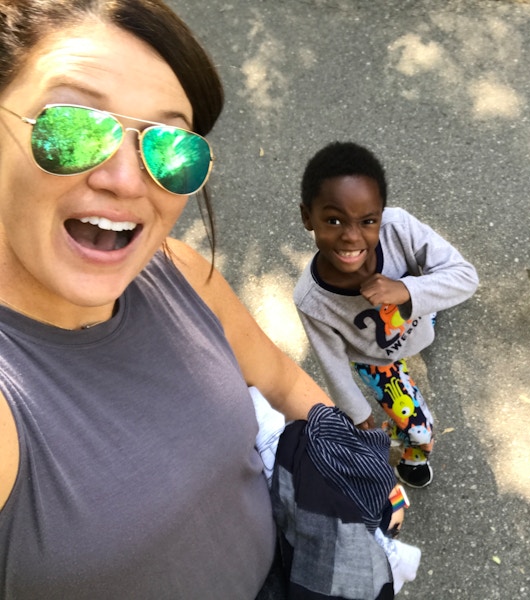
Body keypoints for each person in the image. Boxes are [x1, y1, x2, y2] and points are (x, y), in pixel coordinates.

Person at [0, 2, 391, 598]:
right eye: (73, 127)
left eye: (171, 149)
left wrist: (351, 459)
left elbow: (282, 381)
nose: (128, 180)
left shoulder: (177, 270)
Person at [294, 141, 479, 488]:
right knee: (421, 428)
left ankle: (426, 308)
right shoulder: (311, 299)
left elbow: (465, 276)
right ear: (308, 217)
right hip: (376, 359)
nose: (351, 237)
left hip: (418, 320)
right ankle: (413, 456)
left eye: (367, 221)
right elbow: (332, 363)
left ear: (381, 213)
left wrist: (407, 290)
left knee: (434, 297)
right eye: (333, 220)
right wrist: (358, 413)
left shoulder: (398, 228)